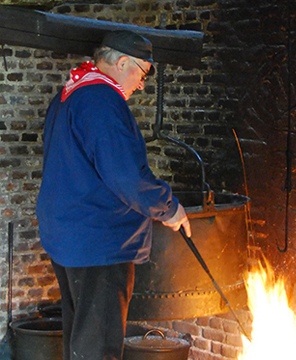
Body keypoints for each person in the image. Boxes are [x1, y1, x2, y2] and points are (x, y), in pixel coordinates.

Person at [36, 30, 191, 360]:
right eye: (143, 72)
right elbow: (126, 176)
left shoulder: (70, 94)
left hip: (68, 235)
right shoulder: (102, 102)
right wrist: (168, 208)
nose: (141, 84)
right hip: (98, 244)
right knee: (100, 347)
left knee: (82, 340)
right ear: (123, 62)